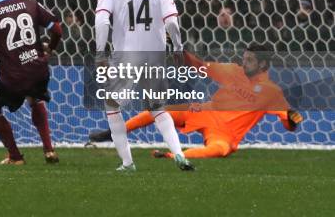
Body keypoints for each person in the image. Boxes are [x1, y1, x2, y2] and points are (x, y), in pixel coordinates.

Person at [89, 46, 304, 159]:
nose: (243, 62)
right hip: (203, 111)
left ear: (263, 64)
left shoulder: (272, 93)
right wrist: (180, 51)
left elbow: (288, 121)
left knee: (220, 150)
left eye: (249, 60)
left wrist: (293, 119)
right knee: (160, 111)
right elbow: (199, 65)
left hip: (226, 133)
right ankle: (114, 132)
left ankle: (175, 155)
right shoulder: (233, 71)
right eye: (244, 57)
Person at [94, 0, 194, 172]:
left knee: (111, 104)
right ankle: (179, 155)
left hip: (126, 55)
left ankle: (128, 163)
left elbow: (101, 20)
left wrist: (100, 52)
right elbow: (171, 21)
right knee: (158, 107)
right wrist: (178, 48)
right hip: (155, 54)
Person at [0, 0, 62, 165]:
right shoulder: (31, 4)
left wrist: (3, 46)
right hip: (39, 69)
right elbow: (57, 29)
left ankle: (15, 156)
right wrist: (49, 49)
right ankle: (49, 150)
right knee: (35, 98)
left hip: (14, 76)